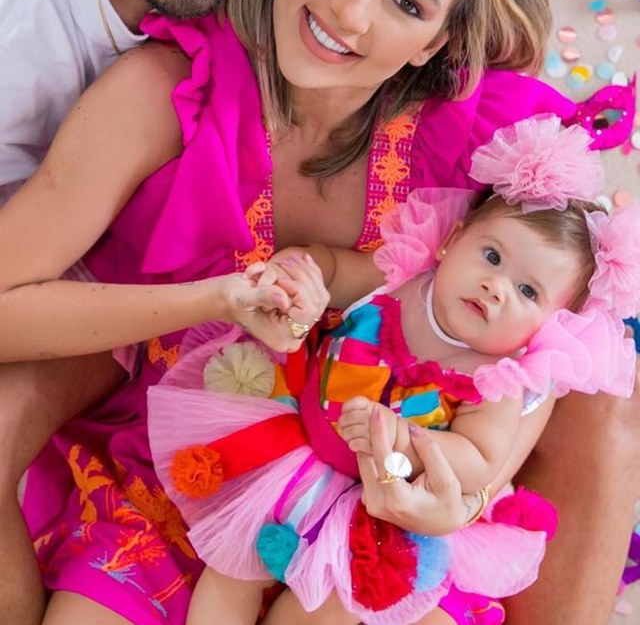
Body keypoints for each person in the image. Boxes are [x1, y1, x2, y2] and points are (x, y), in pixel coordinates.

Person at [3, 0, 580, 625]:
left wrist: (472, 477)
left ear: (435, 41)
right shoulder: (166, 93)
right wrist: (215, 299)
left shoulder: (483, 136)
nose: (350, 11)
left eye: (407, 2)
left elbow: (568, 314)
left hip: (375, 496)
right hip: (181, 464)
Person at [0, 0, 334, 622]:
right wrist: (201, 303)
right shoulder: (15, 18)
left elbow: (474, 21)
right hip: (103, 272)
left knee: (597, 399)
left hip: (307, 256)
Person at [147, 115, 638, 625]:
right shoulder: (404, 277)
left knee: (329, 602)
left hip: (379, 501)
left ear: (546, 326)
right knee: (230, 563)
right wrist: (302, 274)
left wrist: (405, 442)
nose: (497, 287)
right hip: (296, 444)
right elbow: (335, 271)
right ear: (452, 241)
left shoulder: (497, 378)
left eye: (528, 292)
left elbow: (479, 460)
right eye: (491, 256)